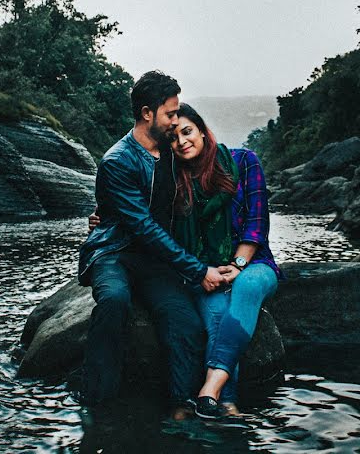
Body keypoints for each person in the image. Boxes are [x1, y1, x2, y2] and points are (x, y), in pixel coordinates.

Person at [76, 71, 227, 416]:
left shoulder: (172, 153)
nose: (176, 120)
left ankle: (182, 404)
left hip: (154, 260)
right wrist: (196, 269)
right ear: (147, 113)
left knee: (184, 319)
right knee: (114, 300)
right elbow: (142, 227)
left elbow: (207, 162)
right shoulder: (117, 161)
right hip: (115, 252)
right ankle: (96, 402)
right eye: (170, 113)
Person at [170, 103, 280, 419]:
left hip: (255, 263)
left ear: (202, 130)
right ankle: (225, 403)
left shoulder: (243, 161)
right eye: (174, 139)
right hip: (207, 269)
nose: (182, 142)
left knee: (246, 287)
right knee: (216, 314)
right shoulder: (179, 182)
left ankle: (211, 388)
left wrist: (239, 264)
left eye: (187, 132)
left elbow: (257, 221)